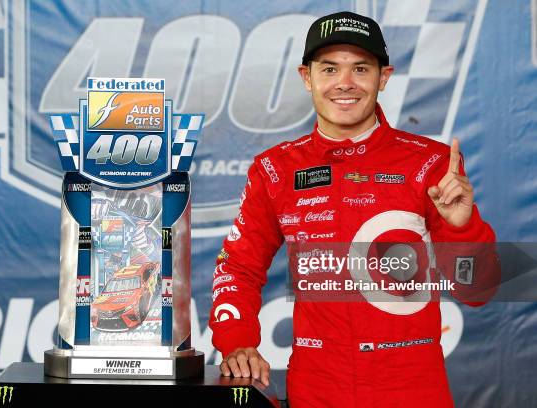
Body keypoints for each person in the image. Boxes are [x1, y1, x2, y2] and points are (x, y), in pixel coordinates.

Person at [208, 11, 498, 408]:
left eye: (360, 68)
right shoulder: (275, 169)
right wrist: (237, 341)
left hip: (414, 392)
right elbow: (238, 268)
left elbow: (480, 290)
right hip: (317, 391)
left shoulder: (431, 164)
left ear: (384, 77)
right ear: (307, 77)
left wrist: (464, 227)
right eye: (329, 68)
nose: (344, 83)